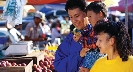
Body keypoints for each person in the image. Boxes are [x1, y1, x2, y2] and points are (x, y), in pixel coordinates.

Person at [54, 0, 89, 72]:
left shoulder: (99, 35)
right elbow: (58, 65)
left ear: (86, 13)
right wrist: (78, 55)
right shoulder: (70, 38)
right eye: (71, 17)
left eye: (77, 16)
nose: (74, 20)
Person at [79, 2, 108, 72]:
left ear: (100, 14)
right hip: (88, 66)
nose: (88, 19)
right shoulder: (92, 28)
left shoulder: (108, 29)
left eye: (90, 16)